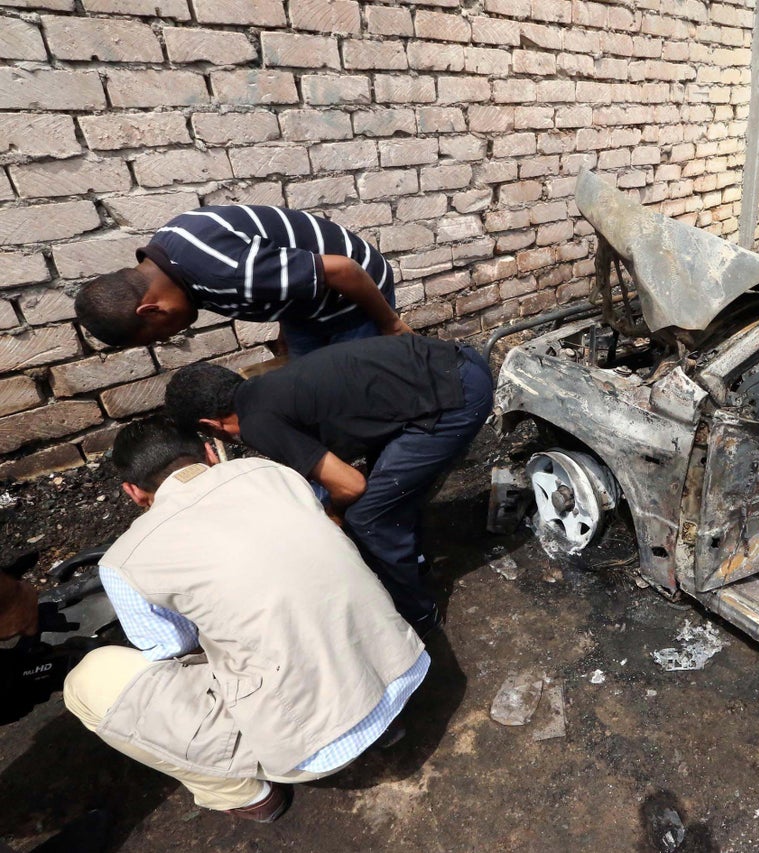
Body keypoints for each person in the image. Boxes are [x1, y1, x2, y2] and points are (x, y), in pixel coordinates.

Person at [61, 419, 429, 822]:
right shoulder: (274, 473)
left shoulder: (123, 560)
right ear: (207, 453)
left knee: (88, 681)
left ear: (133, 492)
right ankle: (380, 723)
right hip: (402, 669)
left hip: (317, 746)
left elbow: (171, 648)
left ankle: (244, 794)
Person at [164, 334, 494, 634]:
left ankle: (418, 616)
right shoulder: (266, 386)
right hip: (452, 364)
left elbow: (350, 485)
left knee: (368, 516)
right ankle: (415, 560)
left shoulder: (257, 423)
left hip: (457, 398)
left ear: (210, 424)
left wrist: (333, 512)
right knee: (389, 490)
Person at [73, 205, 412, 355]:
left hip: (353, 294)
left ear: (151, 311)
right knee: (313, 383)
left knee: (361, 386)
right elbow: (279, 274)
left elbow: (344, 270)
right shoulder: (169, 251)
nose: (172, 335)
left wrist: (391, 324)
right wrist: (284, 333)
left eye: (158, 336)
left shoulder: (229, 271)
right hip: (306, 304)